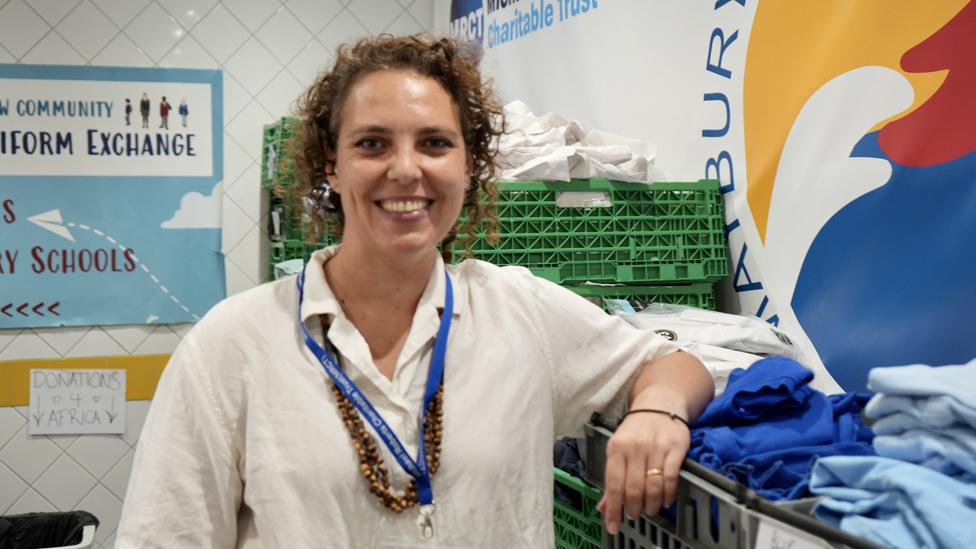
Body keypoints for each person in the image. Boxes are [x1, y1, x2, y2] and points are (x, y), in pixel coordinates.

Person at [116, 34, 713, 548]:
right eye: (372, 143)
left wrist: (657, 412)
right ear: (332, 164)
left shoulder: (519, 311)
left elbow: (673, 364)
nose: (406, 169)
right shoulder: (232, 344)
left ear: (468, 165)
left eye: (434, 143)